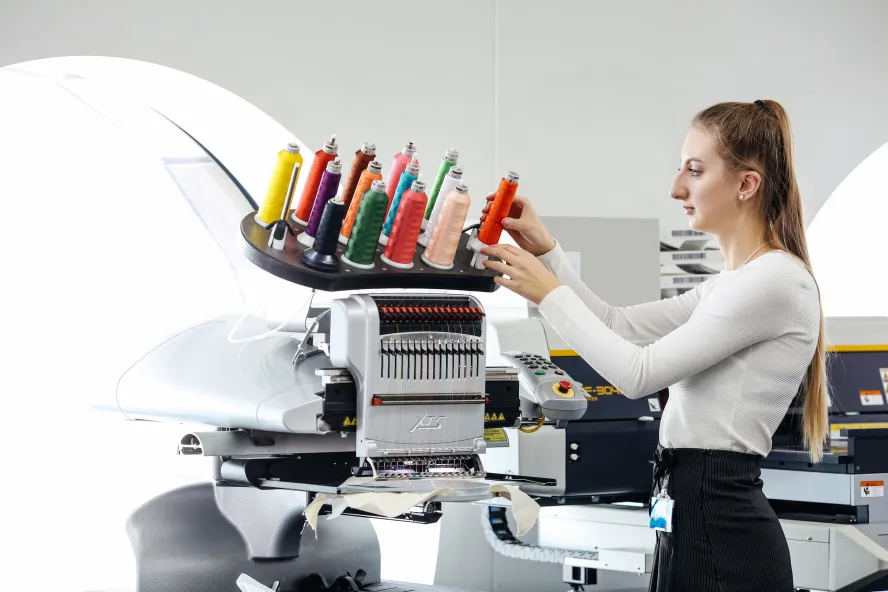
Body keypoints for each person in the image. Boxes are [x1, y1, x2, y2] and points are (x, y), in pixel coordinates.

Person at [480, 99, 828, 592]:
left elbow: (637, 374)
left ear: (746, 184)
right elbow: (617, 325)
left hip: (721, 525)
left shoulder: (774, 281)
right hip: (687, 507)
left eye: (694, 170)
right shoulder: (730, 284)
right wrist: (549, 254)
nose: (676, 188)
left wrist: (547, 293)